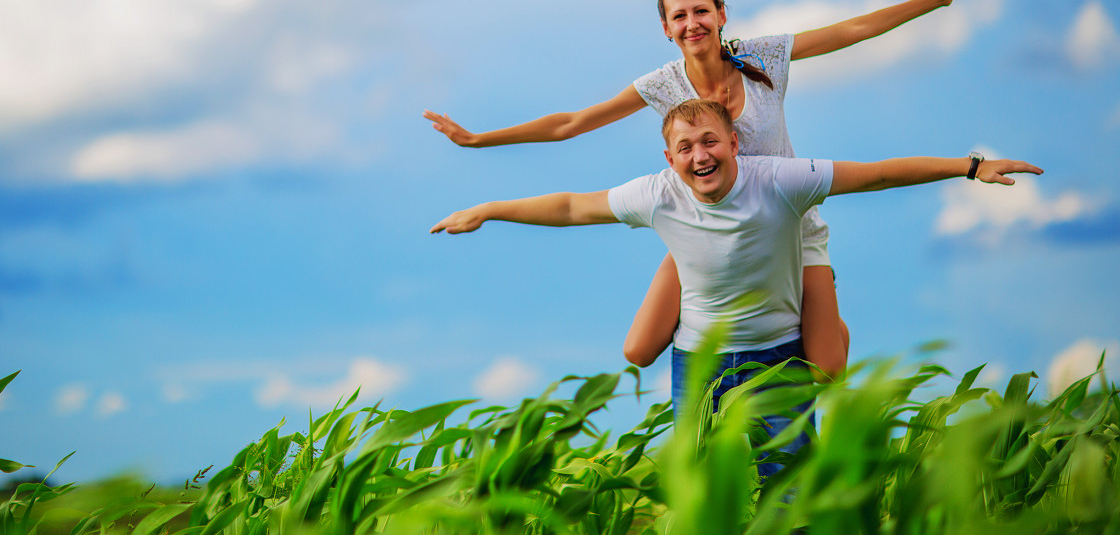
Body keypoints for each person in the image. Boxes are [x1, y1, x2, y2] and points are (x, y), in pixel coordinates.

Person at [430, 98, 1042, 472]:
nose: (700, 155)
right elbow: (569, 206)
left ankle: (828, 328)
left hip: (779, 356)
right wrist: (489, 208)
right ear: (669, 157)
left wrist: (970, 166)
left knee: (790, 481)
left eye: (710, 143)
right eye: (685, 147)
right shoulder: (657, 193)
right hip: (699, 360)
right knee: (699, 482)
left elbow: (877, 174)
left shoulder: (778, 179)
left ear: (735, 146)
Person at [425, 0, 964, 380]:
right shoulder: (662, 85)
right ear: (666, 27)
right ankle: (720, 310)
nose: (692, 24)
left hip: (787, 224)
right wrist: (479, 140)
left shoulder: (765, 57)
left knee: (826, 369)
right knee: (638, 350)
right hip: (704, 228)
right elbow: (571, 123)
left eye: (700, 11)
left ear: (721, 13)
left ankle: (817, 318)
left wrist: (935, 1)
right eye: (679, 16)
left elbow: (855, 30)